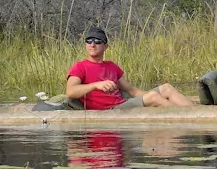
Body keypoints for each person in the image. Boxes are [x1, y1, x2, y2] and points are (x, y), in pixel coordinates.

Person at [65, 27, 194, 109]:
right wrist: (96, 85)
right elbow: (70, 92)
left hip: (122, 104)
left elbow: (132, 91)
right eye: (89, 41)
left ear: (105, 46)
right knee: (153, 97)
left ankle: (199, 112)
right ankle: (186, 116)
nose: (92, 44)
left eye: (98, 41)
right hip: (112, 110)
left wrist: (151, 95)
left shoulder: (112, 66)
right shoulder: (80, 66)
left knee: (166, 88)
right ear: (85, 44)